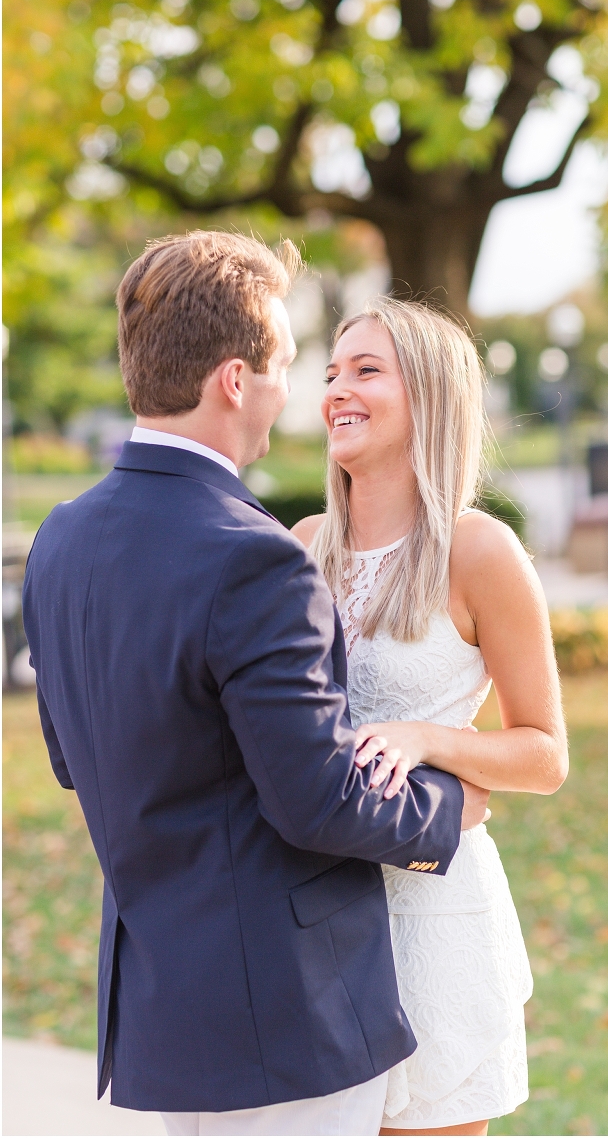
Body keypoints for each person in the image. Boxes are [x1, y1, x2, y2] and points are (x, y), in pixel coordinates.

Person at [22, 232, 492, 1138]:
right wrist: (449, 805)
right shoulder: (256, 559)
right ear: (236, 380)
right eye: (284, 364)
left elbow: (74, 759)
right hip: (286, 1012)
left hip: (162, 1007)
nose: (294, 390)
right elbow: (316, 801)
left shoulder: (61, 540)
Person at [293, 298, 569, 1137]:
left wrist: (427, 743)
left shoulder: (478, 549)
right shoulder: (301, 546)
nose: (338, 389)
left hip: (433, 921)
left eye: (366, 370)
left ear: (430, 395)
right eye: (333, 372)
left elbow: (545, 754)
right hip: (310, 918)